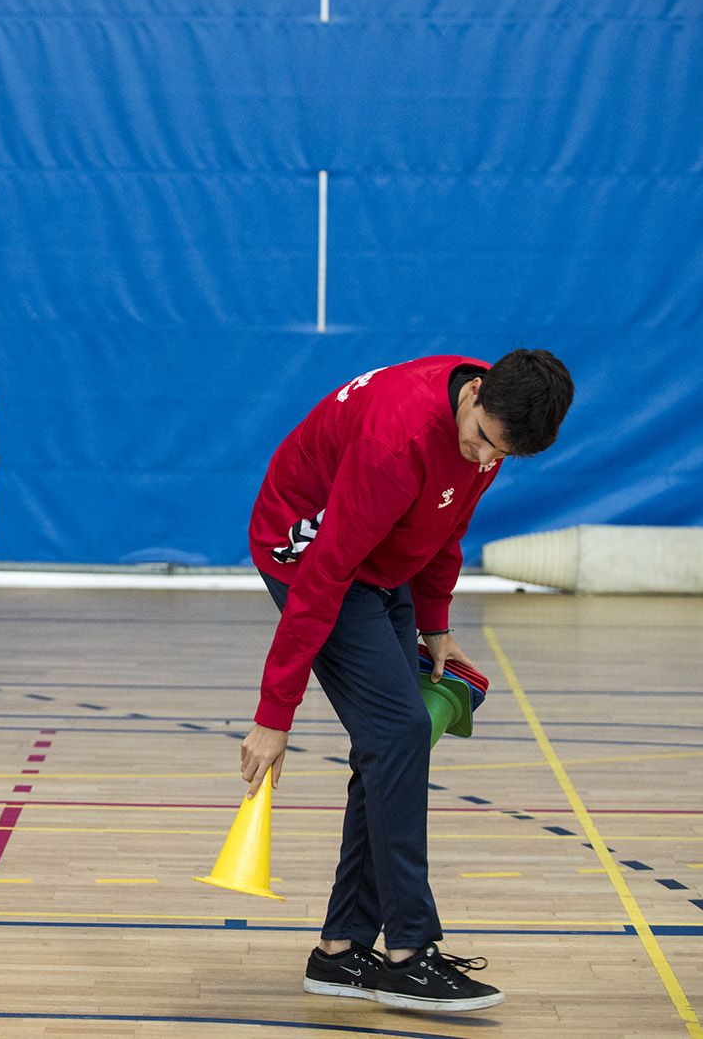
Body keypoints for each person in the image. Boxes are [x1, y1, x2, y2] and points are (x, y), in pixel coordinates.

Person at [240, 350, 573, 1012]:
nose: (483, 459)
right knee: (398, 733)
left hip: (380, 555)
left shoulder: (490, 418)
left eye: (498, 454)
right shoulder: (398, 441)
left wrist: (436, 621)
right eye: (480, 440)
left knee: (393, 741)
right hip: (308, 550)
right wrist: (274, 714)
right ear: (473, 392)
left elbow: (448, 519)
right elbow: (324, 575)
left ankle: (341, 951)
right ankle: (407, 952)